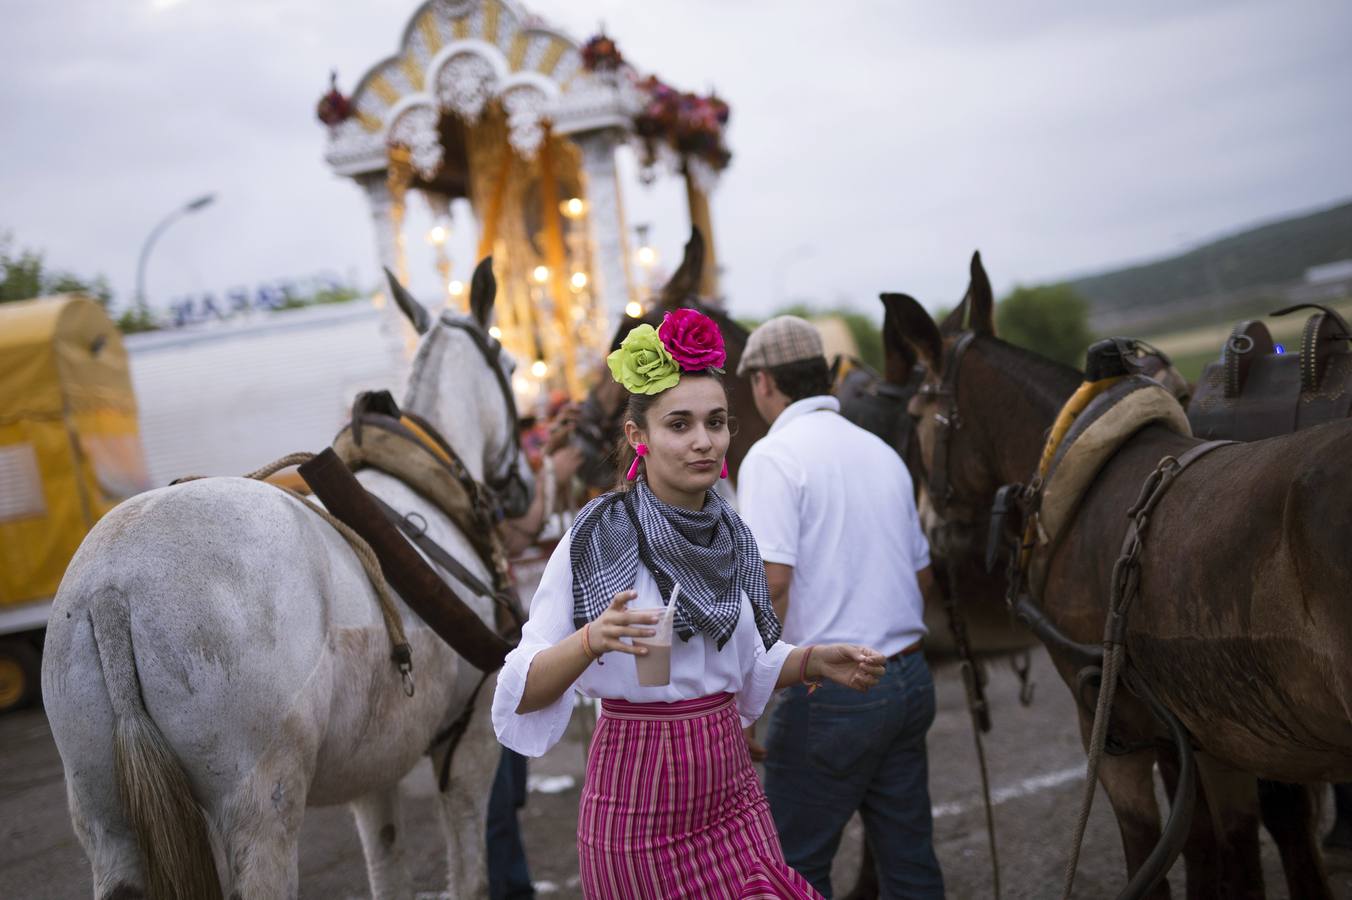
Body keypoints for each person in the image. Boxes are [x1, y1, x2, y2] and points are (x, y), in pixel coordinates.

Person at [491, 309, 888, 899]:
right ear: (638, 436)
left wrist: (812, 661)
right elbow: (522, 690)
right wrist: (591, 639)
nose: (703, 440)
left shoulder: (734, 534)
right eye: (679, 424)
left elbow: (746, 667)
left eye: (716, 422)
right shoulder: (596, 537)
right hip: (635, 810)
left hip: (731, 795)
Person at [736, 316, 945, 899]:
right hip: (906, 676)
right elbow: (922, 576)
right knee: (909, 860)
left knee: (792, 867)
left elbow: (771, 585)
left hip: (830, 691)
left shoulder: (772, 457)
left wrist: (750, 703)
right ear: (824, 375)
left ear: (764, 382)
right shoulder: (879, 450)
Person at [487, 403, 586, 900]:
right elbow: (518, 532)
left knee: (507, 784)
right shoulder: (500, 479)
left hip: (510, 629)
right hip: (499, 637)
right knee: (495, 784)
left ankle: (510, 881)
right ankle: (506, 884)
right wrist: (548, 472)